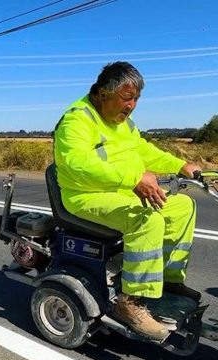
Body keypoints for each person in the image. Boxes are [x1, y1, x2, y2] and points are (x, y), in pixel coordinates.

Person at [53, 61, 203, 341]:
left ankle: (170, 281)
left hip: (119, 192)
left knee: (183, 207)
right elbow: (77, 165)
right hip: (85, 196)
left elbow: (143, 151)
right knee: (146, 220)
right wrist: (134, 179)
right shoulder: (76, 120)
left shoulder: (122, 122)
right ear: (102, 94)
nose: (132, 105)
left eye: (136, 99)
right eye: (126, 98)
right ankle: (131, 302)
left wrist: (180, 165)